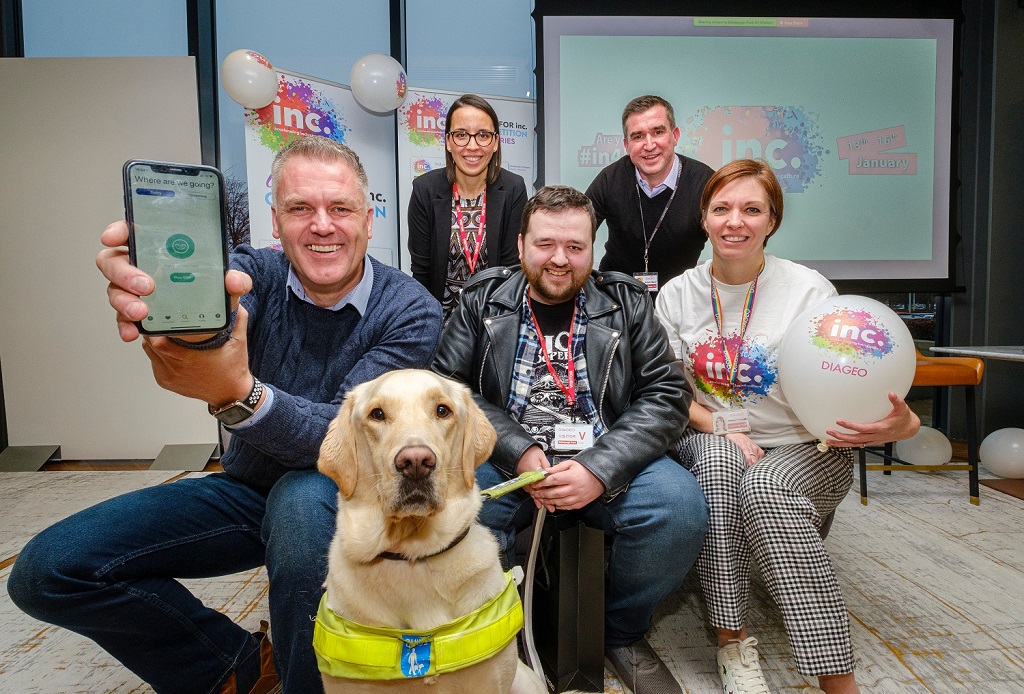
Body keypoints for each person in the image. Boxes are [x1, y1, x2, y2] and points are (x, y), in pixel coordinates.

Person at [7, 137, 442, 694]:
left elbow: (346, 442)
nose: (322, 225)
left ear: (368, 220)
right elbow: (212, 310)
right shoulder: (248, 275)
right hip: (246, 488)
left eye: (340, 208)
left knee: (301, 499)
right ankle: (231, 666)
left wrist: (238, 391)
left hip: (346, 496)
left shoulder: (409, 309)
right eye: (300, 208)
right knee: (49, 571)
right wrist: (166, 304)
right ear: (276, 221)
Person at [654, 159, 920, 694]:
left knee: (768, 488)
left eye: (752, 209)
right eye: (722, 208)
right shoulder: (676, 296)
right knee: (722, 466)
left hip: (806, 446)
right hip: (712, 434)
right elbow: (667, 392)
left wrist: (904, 422)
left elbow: (859, 381)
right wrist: (719, 427)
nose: (736, 221)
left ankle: (836, 679)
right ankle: (733, 643)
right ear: (703, 219)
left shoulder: (809, 291)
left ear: (772, 221)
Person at [432, 184, 709, 694]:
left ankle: (619, 631)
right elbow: (448, 392)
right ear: (520, 246)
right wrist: (519, 451)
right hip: (503, 457)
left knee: (679, 507)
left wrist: (597, 469)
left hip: (606, 454)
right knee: (449, 514)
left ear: (592, 248)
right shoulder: (480, 299)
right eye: (545, 244)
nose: (560, 259)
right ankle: (496, 627)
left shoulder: (625, 301)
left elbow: (667, 394)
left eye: (575, 247)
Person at [408, 93, 528, 320]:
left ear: (495, 143)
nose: (472, 146)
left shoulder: (513, 189)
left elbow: (512, 273)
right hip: (438, 322)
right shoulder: (425, 189)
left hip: (494, 320)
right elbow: (421, 273)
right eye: (461, 135)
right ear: (448, 142)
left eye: (483, 135)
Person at [586, 94, 713, 294]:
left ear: (675, 136)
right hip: (615, 297)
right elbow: (576, 233)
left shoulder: (705, 183)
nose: (649, 145)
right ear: (627, 146)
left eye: (658, 132)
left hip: (679, 298)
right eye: (638, 136)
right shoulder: (610, 180)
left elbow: (727, 240)